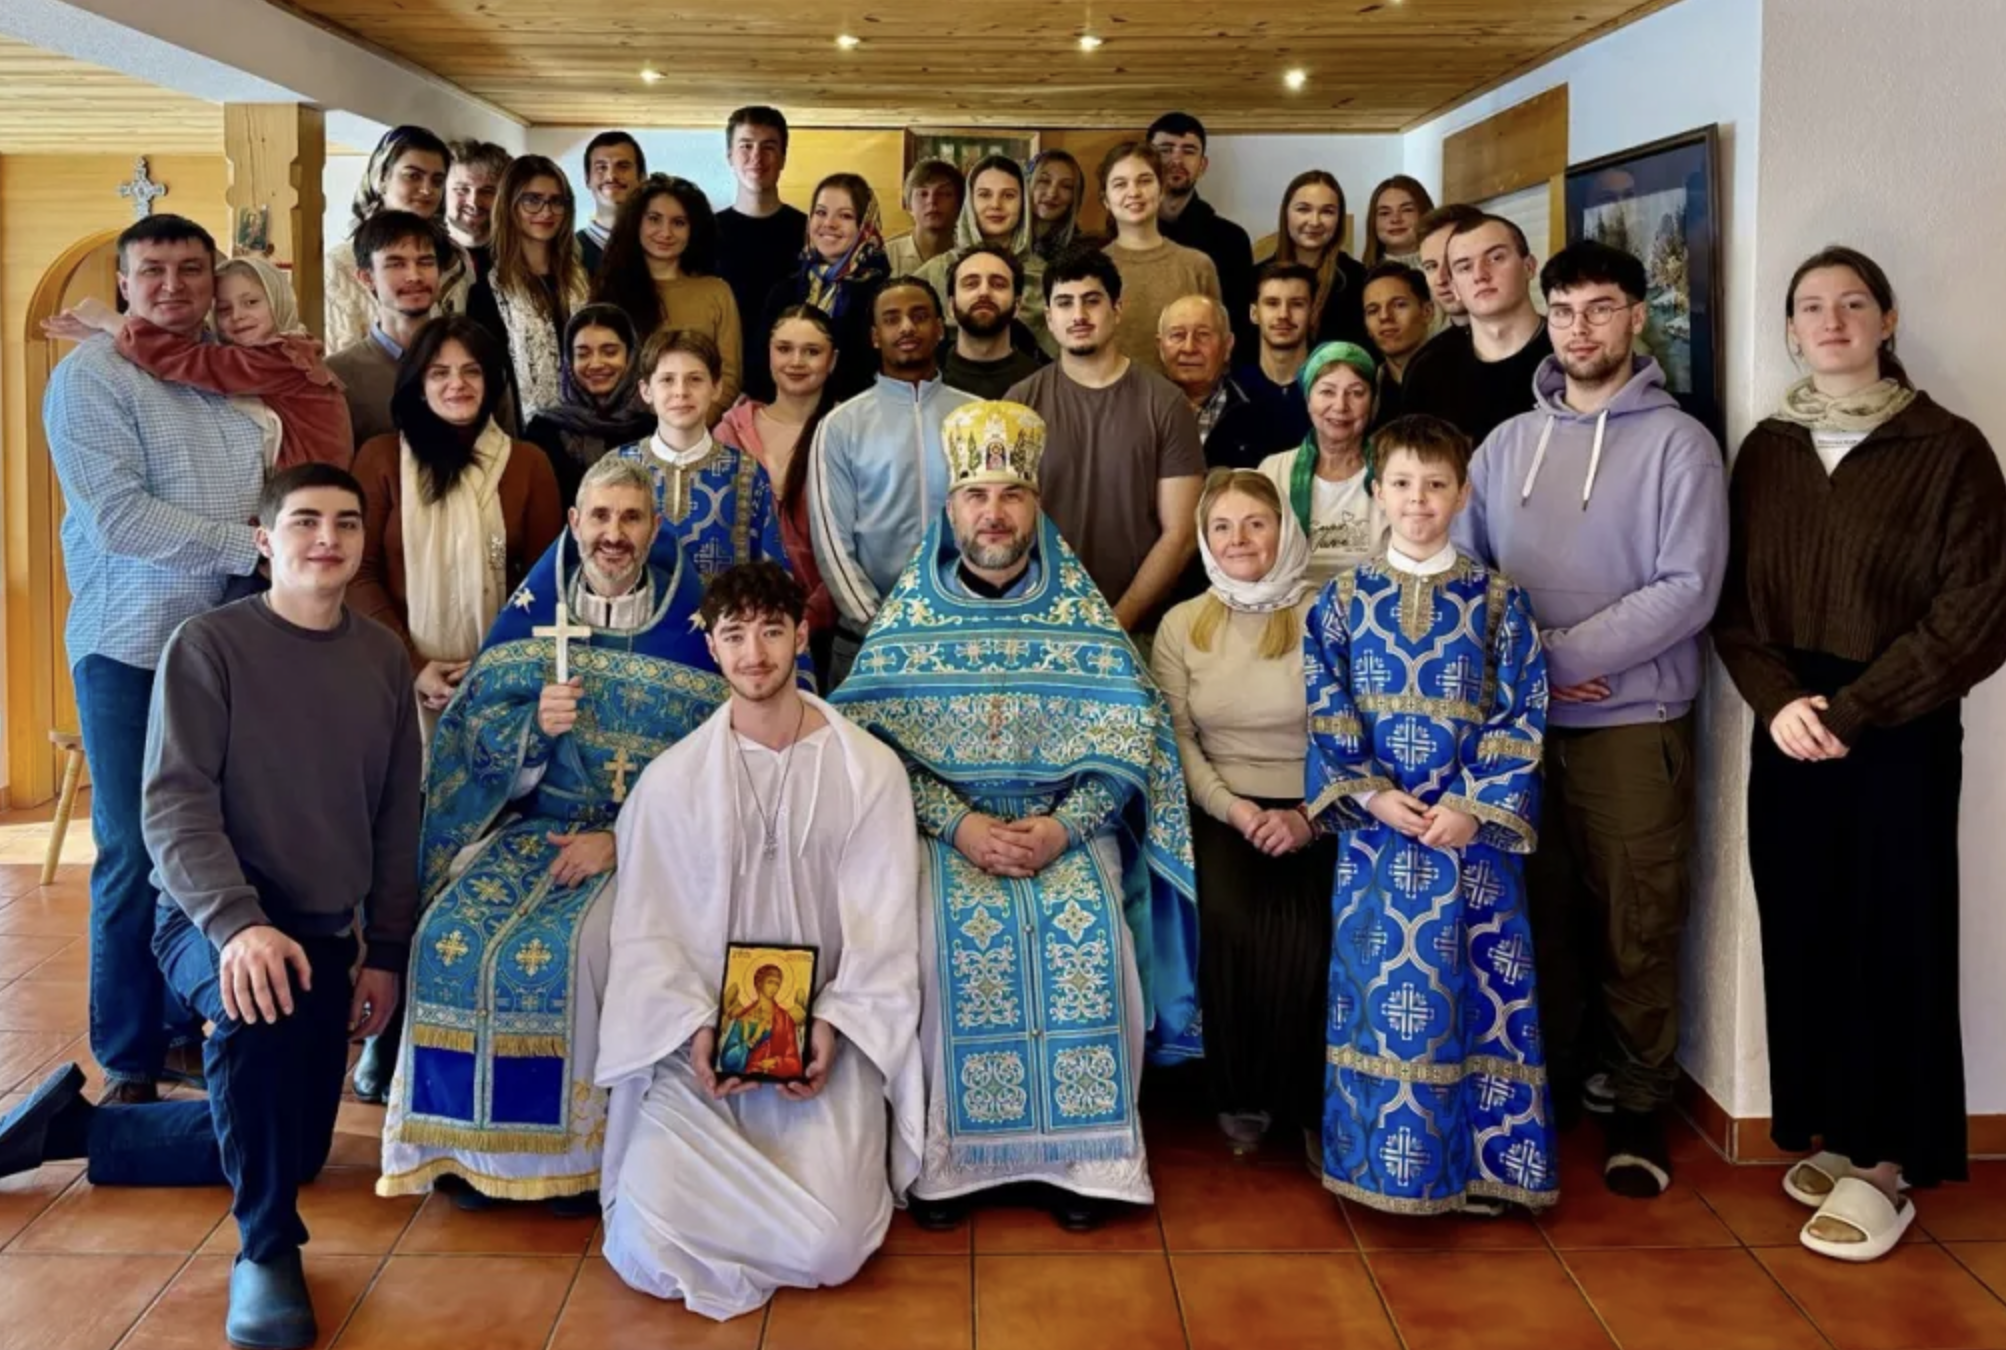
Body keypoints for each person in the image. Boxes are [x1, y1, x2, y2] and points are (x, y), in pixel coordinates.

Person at [0, 463, 419, 1350]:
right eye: (305, 522)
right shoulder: (210, 644)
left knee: (295, 1143)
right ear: (265, 542)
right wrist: (237, 925)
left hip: (316, 927)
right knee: (254, 1011)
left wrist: (384, 948)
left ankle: (75, 1130)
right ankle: (266, 1249)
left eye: (346, 524)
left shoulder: (381, 657)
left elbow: (394, 814)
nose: (328, 540)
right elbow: (174, 806)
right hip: (205, 914)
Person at [829, 400, 1199, 1233]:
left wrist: (1066, 828)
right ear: (950, 510)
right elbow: (867, 755)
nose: (991, 513)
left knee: (1094, 942)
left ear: (1036, 507)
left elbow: (1133, 745)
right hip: (947, 835)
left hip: (1066, 831)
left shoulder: (1084, 620)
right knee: (935, 945)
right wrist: (958, 826)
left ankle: (1085, 1165)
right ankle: (952, 1168)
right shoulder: (908, 625)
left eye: (1009, 496)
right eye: (975, 497)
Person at [1713, 246, 2006, 1261]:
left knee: (1895, 938)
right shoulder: (1768, 448)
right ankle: (1835, 1133)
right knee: (1803, 930)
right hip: (1785, 724)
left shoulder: (1948, 448)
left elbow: (1975, 614)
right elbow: (1733, 603)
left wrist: (1853, 708)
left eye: (1849, 304)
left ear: (1886, 319)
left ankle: (1888, 1165)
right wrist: (1779, 703)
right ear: (1788, 330)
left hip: (1894, 730)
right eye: (1808, 307)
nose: (1829, 321)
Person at [379, 455, 728, 1211]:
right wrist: (530, 731)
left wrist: (626, 840)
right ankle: (458, 1147)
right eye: (598, 518)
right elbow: (469, 739)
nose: (613, 535)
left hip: (644, 847)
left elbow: (728, 770)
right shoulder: (536, 619)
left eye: (630, 519)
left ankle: (571, 1159)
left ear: (655, 527)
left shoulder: (696, 630)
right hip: (533, 829)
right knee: (449, 933)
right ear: (574, 525)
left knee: (578, 949)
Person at [1455, 239, 1726, 1196]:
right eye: (1565, 312)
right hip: (1519, 737)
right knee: (1543, 912)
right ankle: (1555, 1087)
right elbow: (1465, 576)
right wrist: (1525, 678)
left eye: (1601, 310)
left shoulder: (1680, 445)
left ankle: (1641, 1105)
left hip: (1631, 725)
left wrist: (1558, 663)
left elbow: (1686, 589)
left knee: (1635, 919)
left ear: (1637, 315)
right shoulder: (1505, 447)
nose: (1581, 330)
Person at [596, 561, 923, 1319]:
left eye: (771, 632)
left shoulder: (868, 770)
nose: (754, 654)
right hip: (706, 1054)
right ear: (710, 646)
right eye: (734, 635)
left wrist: (835, 1027)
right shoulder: (671, 783)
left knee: (834, 1247)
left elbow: (883, 928)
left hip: (825, 1044)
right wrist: (697, 1028)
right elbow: (649, 934)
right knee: (644, 1244)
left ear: (801, 635)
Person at [1305, 413, 1555, 1217]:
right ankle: (1382, 1169)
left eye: (1436, 485)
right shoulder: (1340, 602)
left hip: (1472, 849)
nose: (1418, 501)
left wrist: (1474, 809)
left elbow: (1522, 713)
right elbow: (1326, 708)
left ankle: (1488, 1169)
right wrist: (1372, 792)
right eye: (1402, 485)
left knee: (1478, 999)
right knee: (1385, 1004)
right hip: (1379, 843)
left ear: (1462, 492)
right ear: (1378, 492)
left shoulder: (1499, 603)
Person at [44, 214, 266, 1104]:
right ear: (126, 284)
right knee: (135, 852)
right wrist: (253, 548)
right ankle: (130, 1057)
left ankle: (187, 1024)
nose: (174, 285)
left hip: (233, 648)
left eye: (191, 269)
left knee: (215, 847)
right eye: (153, 271)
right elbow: (122, 520)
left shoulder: (221, 372)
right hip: (132, 645)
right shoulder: (88, 378)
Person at [1151, 469, 1331, 1153]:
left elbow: (1349, 733)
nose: (1239, 539)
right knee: (1230, 922)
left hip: (1319, 804)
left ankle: (1310, 1103)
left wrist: (1307, 816)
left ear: (1285, 529)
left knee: (1313, 932)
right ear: (1203, 537)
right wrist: (1236, 810)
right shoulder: (1182, 623)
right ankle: (1242, 1093)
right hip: (1223, 807)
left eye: (1255, 523)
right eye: (1221, 526)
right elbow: (1179, 739)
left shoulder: (1328, 613)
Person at [348, 314, 563, 755]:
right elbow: (357, 574)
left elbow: (546, 586)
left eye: (471, 371)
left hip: (500, 683)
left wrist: (492, 670)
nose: (457, 384)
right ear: (418, 383)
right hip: (395, 678)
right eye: (439, 372)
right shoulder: (381, 458)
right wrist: (414, 665)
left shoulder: (528, 463)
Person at [1007, 250, 1203, 638]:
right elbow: (1007, 526)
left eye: (1091, 300)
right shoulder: (1019, 404)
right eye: (1065, 303)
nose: (1078, 315)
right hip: (1039, 626)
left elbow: (1179, 535)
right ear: (1049, 317)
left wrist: (1115, 624)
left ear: (1117, 308)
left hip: (1141, 630)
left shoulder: (1166, 404)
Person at [808, 278, 978, 683]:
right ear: (874, 336)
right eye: (892, 319)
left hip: (964, 635)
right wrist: (882, 625)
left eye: (919, 316)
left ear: (940, 328)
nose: (906, 328)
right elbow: (832, 542)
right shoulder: (840, 425)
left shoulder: (977, 418)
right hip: (868, 641)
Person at [43, 254, 352, 470]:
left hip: (312, 491)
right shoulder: (263, 355)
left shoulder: (283, 355)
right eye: (224, 309)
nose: (238, 316)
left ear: (280, 301)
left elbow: (189, 360)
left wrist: (110, 320)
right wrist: (106, 338)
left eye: (252, 302)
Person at [716, 306, 842, 659]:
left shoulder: (849, 430)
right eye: (784, 349)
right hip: (745, 626)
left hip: (830, 628)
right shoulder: (730, 432)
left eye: (812, 351)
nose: (796, 361)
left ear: (832, 360)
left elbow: (861, 537)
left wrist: (811, 614)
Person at [611, 328, 784, 581]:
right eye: (667, 379)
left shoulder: (747, 473)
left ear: (716, 387)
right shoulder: (615, 469)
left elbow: (773, 576)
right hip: (635, 617)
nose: (681, 391)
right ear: (646, 390)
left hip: (722, 619)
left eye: (695, 379)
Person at [591, 173, 743, 421]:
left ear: (693, 229)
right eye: (654, 219)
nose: (665, 232)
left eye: (679, 222)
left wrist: (687, 431)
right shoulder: (608, 291)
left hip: (699, 432)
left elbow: (729, 376)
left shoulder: (716, 291)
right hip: (623, 433)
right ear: (636, 223)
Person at [1401, 214, 1552, 445]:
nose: (1480, 275)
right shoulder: (1428, 369)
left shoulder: (1571, 352)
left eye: (1495, 257)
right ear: (1454, 288)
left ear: (1529, 266)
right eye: (1464, 267)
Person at [465, 154, 591, 421]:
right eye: (532, 200)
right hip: (524, 434)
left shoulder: (584, 282)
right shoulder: (487, 292)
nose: (546, 212)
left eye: (556, 202)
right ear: (510, 205)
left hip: (590, 427)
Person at [1256, 342, 1388, 586]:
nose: (1340, 406)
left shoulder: (1392, 473)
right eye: (1327, 392)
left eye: (1356, 393)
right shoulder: (1272, 472)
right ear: (1308, 399)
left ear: (1373, 403)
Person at [325, 125, 465, 353]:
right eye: (413, 176)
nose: (427, 189)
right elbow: (339, 360)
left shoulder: (455, 259)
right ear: (381, 178)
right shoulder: (341, 263)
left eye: (437, 180)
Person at [1096, 141, 1221, 377]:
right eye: (1120, 184)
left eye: (1144, 181)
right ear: (1106, 200)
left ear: (1161, 189)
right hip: (1108, 404)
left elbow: (1215, 346)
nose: (1134, 192)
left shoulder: (1197, 265)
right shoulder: (1093, 268)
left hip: (1182, 403)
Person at [327, 210, 443, 449]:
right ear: (366, 278)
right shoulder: (336, 377)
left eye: (425, 262)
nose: (414, 276)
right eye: (396, 264)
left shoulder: (475, 361)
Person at [523, 303, 658, 506]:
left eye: (610, 352)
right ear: (569, 360)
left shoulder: (654, 430)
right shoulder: (544, 430)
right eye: (583, 354)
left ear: (630, 356)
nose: (595, 364)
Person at [916, 153, 1050, 353]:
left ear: (1024, 204)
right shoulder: (933, 273)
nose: (996, 205)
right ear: (969, 202)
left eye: (1008, 195)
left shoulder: (1047, 277)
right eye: (984, 194)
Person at [717, 106, 808, 394]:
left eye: (769, 147)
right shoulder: (704, 233)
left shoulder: (810, 232)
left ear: (783, 157)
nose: (757, 157)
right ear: (730, 156)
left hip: (797, 383)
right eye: (746, 146)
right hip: (723, 388)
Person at [1150, 112, 1257, 355]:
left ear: (1202, 165)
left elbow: (1238, 325)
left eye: (1188, 151)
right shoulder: (1124, 235)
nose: (1176, 159)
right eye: (1165, 149)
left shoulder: (1232, 240)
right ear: (1147, 159)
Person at [1270, 170, 1369, 348]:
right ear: (1286, 213)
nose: (1314, 221)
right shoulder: (1255, 278)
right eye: (1303, 209)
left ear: (1339, 219)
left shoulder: (1359, 279)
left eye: (1327, 212)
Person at [1230, 260, 1316, 464]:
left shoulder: (1332, 391)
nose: (1283, 314)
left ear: (1312, 313)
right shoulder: (1231, 389)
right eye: (1272, 303)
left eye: (1296, 304)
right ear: (1254, 313)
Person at [939, 243, 1047, 398]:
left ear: (1017, 305)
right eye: (971, 284)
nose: (984, 292)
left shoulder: (1041, 384)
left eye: (998, 285)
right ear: (950, 305)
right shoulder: (927, 378)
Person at [1361, 261, 1435, 424]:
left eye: (1399, 305)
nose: (1385, 317)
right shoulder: (1365, 391)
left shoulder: (1458, 377)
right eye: (1373, 311)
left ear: (1427, 312)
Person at [577, 130, 645, 274]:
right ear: (587, 179)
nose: (611, 176)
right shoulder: (567, 254)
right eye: (601, 167)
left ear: (642, 178)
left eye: (623, 166)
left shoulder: (662, 248)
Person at [445, 139, 511, 286]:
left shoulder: (521, 257)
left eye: (487, 191)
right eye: (462, 190)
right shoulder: (423, 254)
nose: (474, 202)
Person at [884, 157, 964, 276]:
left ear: (960, 205)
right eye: (923, 194)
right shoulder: (885, 257)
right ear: (908, 205)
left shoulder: (967, 257)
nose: (932, 201)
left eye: (943, 193)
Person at [1028, 149, 1092, 262]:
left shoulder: (1084, 255)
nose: (1052, 193)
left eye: (1066, 186)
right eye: (1044, 181)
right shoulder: (1002, 241)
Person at [1362, 175, 1437, 268]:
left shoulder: (1451, 271)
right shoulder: (1359, 277)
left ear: (1425, 214)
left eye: (1407, 210)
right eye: (1385, 213)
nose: (1395, 219)